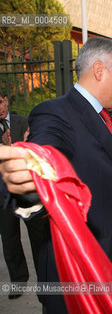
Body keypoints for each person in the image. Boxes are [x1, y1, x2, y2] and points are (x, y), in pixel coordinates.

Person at [0, 38, 112, 313]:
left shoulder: (109, 117)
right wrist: (29, 180)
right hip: (81, 279)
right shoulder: (54, 114)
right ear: (99, 70)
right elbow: (45, 158)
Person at [0, 90, 47, 300]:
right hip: (3, 195)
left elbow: (35, 151)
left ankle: (44, 282)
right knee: (9, 238)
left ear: (6, 101)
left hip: (27, 191)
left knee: (38, 238)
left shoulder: (22, 122)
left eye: (0, 102)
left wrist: (16, 147)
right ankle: (18, 281)